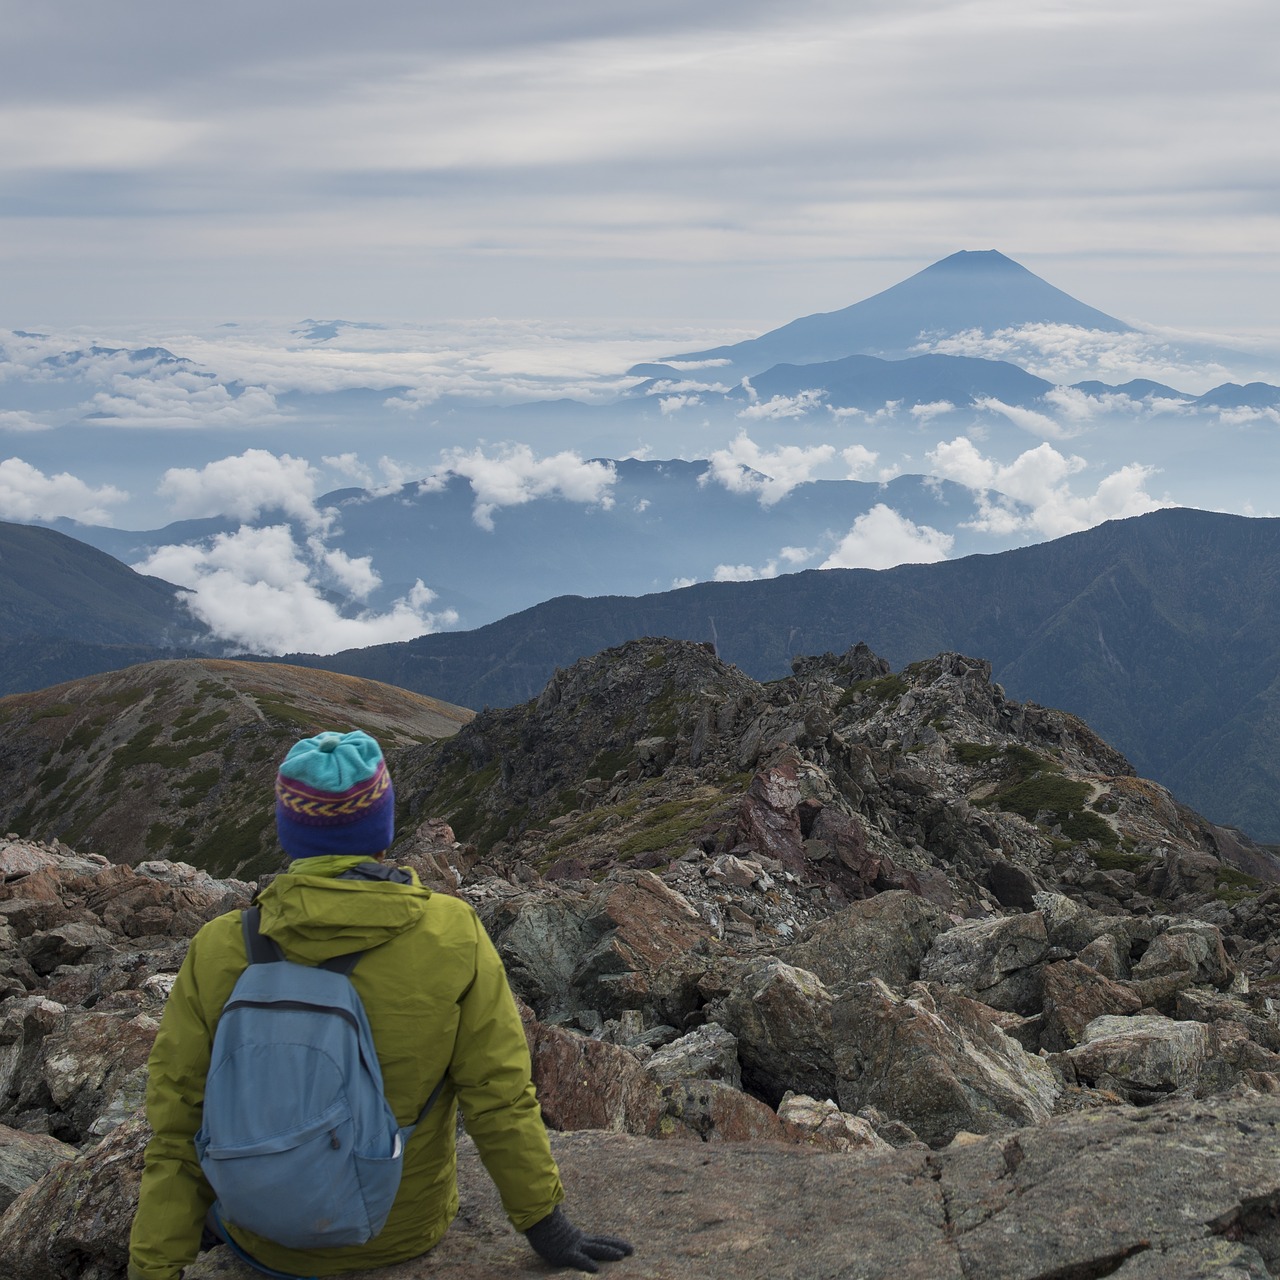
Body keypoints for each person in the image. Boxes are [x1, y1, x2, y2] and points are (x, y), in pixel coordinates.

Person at [128, 729, 633, 1279]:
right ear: (382, 831)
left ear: (290, 835)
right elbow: (498, 1095)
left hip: (265, 1238)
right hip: (401, 1233)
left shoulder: (219, 947)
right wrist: (547, 1228)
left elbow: (178, 1124)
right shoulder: (451, 932)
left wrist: (155, 1269)